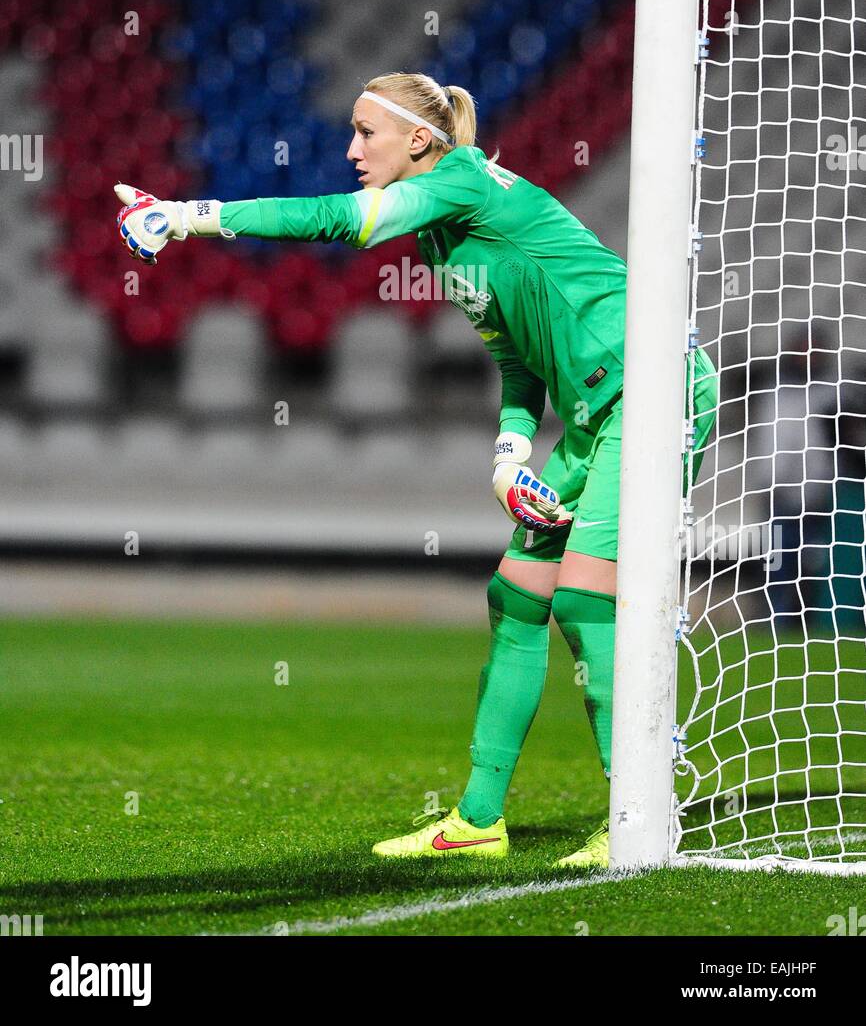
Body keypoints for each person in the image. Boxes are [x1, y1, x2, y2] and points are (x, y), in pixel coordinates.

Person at [115, 70, 718, 866]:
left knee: (582, 601)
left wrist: (193, 216)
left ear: (420, 141)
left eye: (367, 132)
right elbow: (517, 358)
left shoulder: (461, 180)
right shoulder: (442, 232)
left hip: (654, 395)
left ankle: (639, 816)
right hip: (593, 416)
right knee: (516, 598)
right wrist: (509, 456)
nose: (350, 148)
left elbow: (338, 221)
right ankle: (476, 820)